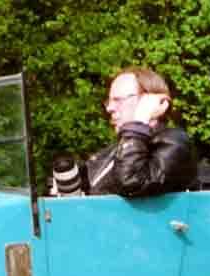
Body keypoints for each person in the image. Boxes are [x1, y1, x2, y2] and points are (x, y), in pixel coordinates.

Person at [53, 67, 196, 197]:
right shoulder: (115, 151)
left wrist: (139, 121)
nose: (110, 108)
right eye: (108, 101)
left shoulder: (175, 143)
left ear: (150, 101)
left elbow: (131, 182)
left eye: (118, 100)